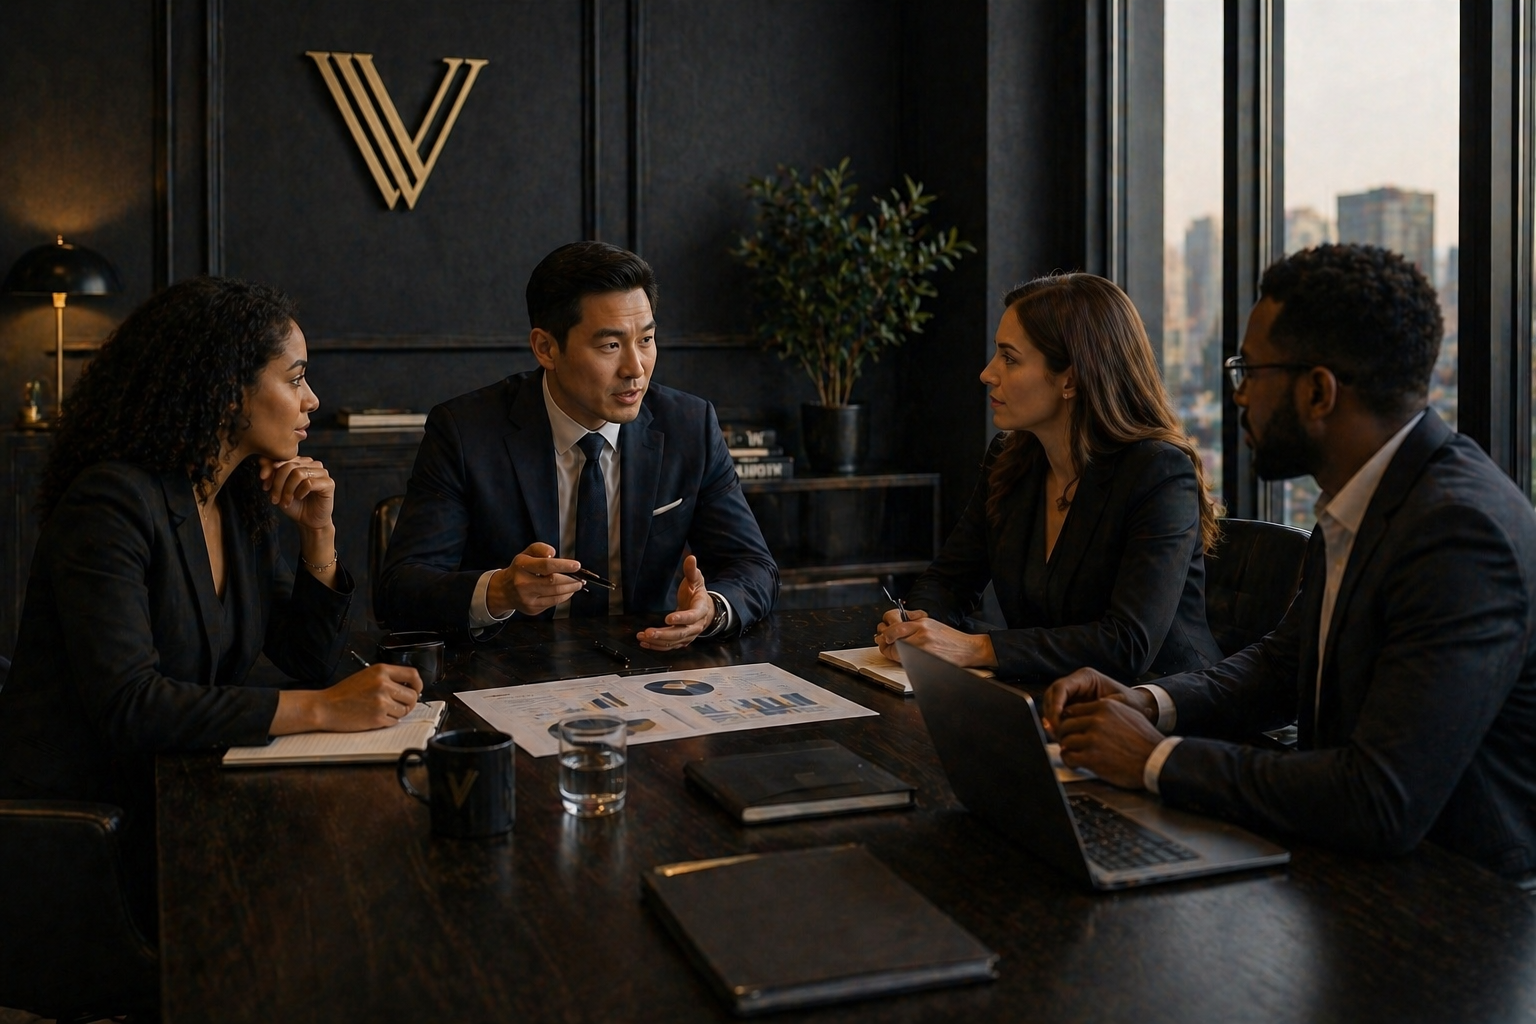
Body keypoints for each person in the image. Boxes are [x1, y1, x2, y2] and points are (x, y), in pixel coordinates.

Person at [1043, 244, 1536, 879]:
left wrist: (1155, 759)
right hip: (1346, 866)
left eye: (1249, 372)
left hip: (1456, 910)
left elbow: (1379, 798)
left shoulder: (1459, 534)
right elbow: (1283, 666)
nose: (1239, 397)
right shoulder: (1372, 497)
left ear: (1318, 391)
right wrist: (1148, 703)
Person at [0, 277, 424, 926]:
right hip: (94, 833)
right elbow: (130, 705)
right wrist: (322, 711)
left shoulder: (232, 498)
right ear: (229, 389)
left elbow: (306, 655)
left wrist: (318, 535)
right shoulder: (112, 503)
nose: (313, 400)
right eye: (296, 378)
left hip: (180, 793)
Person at [377, 241, 778, 650]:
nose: (635, 368)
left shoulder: (689, 426)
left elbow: (754, 565)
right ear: (546, 348)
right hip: (513, 669)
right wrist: (498, 592)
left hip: (648, 662)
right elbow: (400, 590)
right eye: (610, 346)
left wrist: (711, 609)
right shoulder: (465, 432)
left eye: (646, 339)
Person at [875, 273, 1224, 684]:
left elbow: (1127, 643)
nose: (988, 374)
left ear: (1070, 379)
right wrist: (917, 625)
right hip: (1049, 696)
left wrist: (973, 647)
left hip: (1161, 709)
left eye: (1009, 358)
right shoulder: (1010, 458)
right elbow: (950, 580)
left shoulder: (1159, 473)